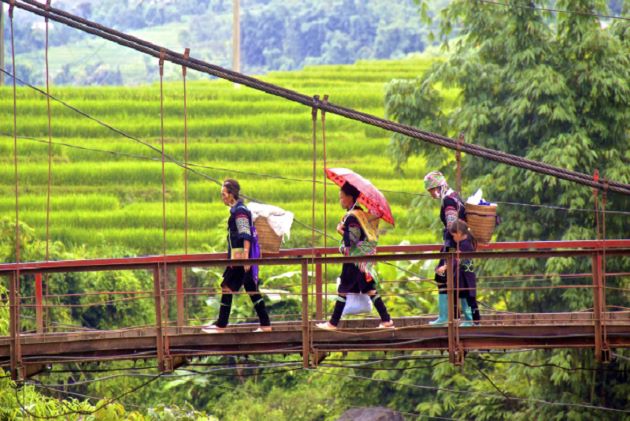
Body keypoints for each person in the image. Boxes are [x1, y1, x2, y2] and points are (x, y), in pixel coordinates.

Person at [316, 182, 394, 330]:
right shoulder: (361, 214)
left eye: (342, 197)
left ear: (350, 198)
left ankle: (333, 323)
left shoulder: (353, 217)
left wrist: (340, 231)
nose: (340, 201)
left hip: (354, 260)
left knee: (344, 288)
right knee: (369, 289)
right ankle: (386, 320)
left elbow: (351, 241)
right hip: (362, 261)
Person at [202, 179, 272, 333]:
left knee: (227, 287)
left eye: (224, 194)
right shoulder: (237, 210)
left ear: (231, 194)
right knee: (251, 289)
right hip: (238, 256)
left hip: (240, 257)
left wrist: (245, 257)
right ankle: (266, 324)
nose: (222, 197)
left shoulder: (239, 211)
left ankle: (221, 325)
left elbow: (245, 234)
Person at [423, 171, 473, 326]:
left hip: (454, 245)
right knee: (457, 278)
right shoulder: (455, 196)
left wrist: (449, 254)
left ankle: (455, 318)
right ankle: (460, 317)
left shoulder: (449, 201)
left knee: (446, 275)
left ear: (437, 187)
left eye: (431, 190)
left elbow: (452, 227)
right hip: (462, 244)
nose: (431, 194)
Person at [440, 220, 481, 326]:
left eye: (454, 235)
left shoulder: (466, 245)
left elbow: (457, 259)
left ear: (459, 233)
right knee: (465, 299)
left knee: (469, 300)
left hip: (466, 277)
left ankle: (474, 322)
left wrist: (445, 266)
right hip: (464, 277)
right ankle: (470, 321)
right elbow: (452, 251)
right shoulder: (465, 242)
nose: (453, 238)